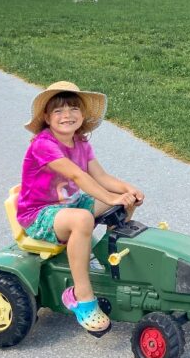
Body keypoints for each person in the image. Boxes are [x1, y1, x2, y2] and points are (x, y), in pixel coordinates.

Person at [18, 81, 144, 336]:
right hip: (39, 214)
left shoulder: (81, 143)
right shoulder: (43, 144)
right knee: (83, 219)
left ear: (83, 114)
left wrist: (127, 190)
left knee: (122, 198)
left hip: (70, 204)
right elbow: (77, 176)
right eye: (58, 111)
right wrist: (110, 198)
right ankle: (81, 295)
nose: (67, 115)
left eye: (73, 108)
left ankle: (109, 260)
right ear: (46, 117)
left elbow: (101, 176)